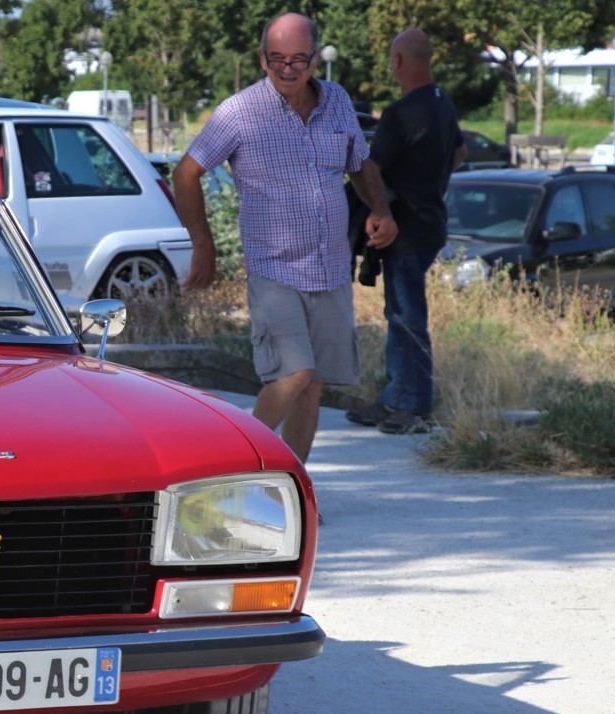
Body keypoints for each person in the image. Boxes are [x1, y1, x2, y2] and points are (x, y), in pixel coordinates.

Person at [173, 12, 397, 463]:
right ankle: (228, 469)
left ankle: (292, 490)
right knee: (294, 373)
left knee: (312, 386)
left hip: (331, 266)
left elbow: (359, 162)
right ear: (261, 59)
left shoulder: (336, 101)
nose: (288, 69)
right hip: (274, 268)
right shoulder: (239, 112)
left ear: (316, 58)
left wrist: (380, 209)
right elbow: (186, 172)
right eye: (277, 59)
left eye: (299, 59)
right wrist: (204, 245)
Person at [346, 28, 465, 435]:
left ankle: (413, 406)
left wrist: (381, 211)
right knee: (399, 312)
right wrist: (430, 185)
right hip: (432, 223)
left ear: (398, 61)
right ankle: (395, 396)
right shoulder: (442, 102)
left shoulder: (401, 112)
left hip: (405, 230)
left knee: (407, 316)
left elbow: (371, 167)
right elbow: (460, 152)